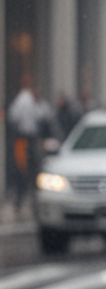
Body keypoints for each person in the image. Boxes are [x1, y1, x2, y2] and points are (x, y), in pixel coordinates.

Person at [7, 76, 53, 210]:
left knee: (23, 169)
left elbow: (13, 117)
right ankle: (28, 201)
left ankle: (22, 202)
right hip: (27, 138)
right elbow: (43, 115)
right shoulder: (28, 100)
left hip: (23, 138)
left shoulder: (22, 100)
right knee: (29, 169)